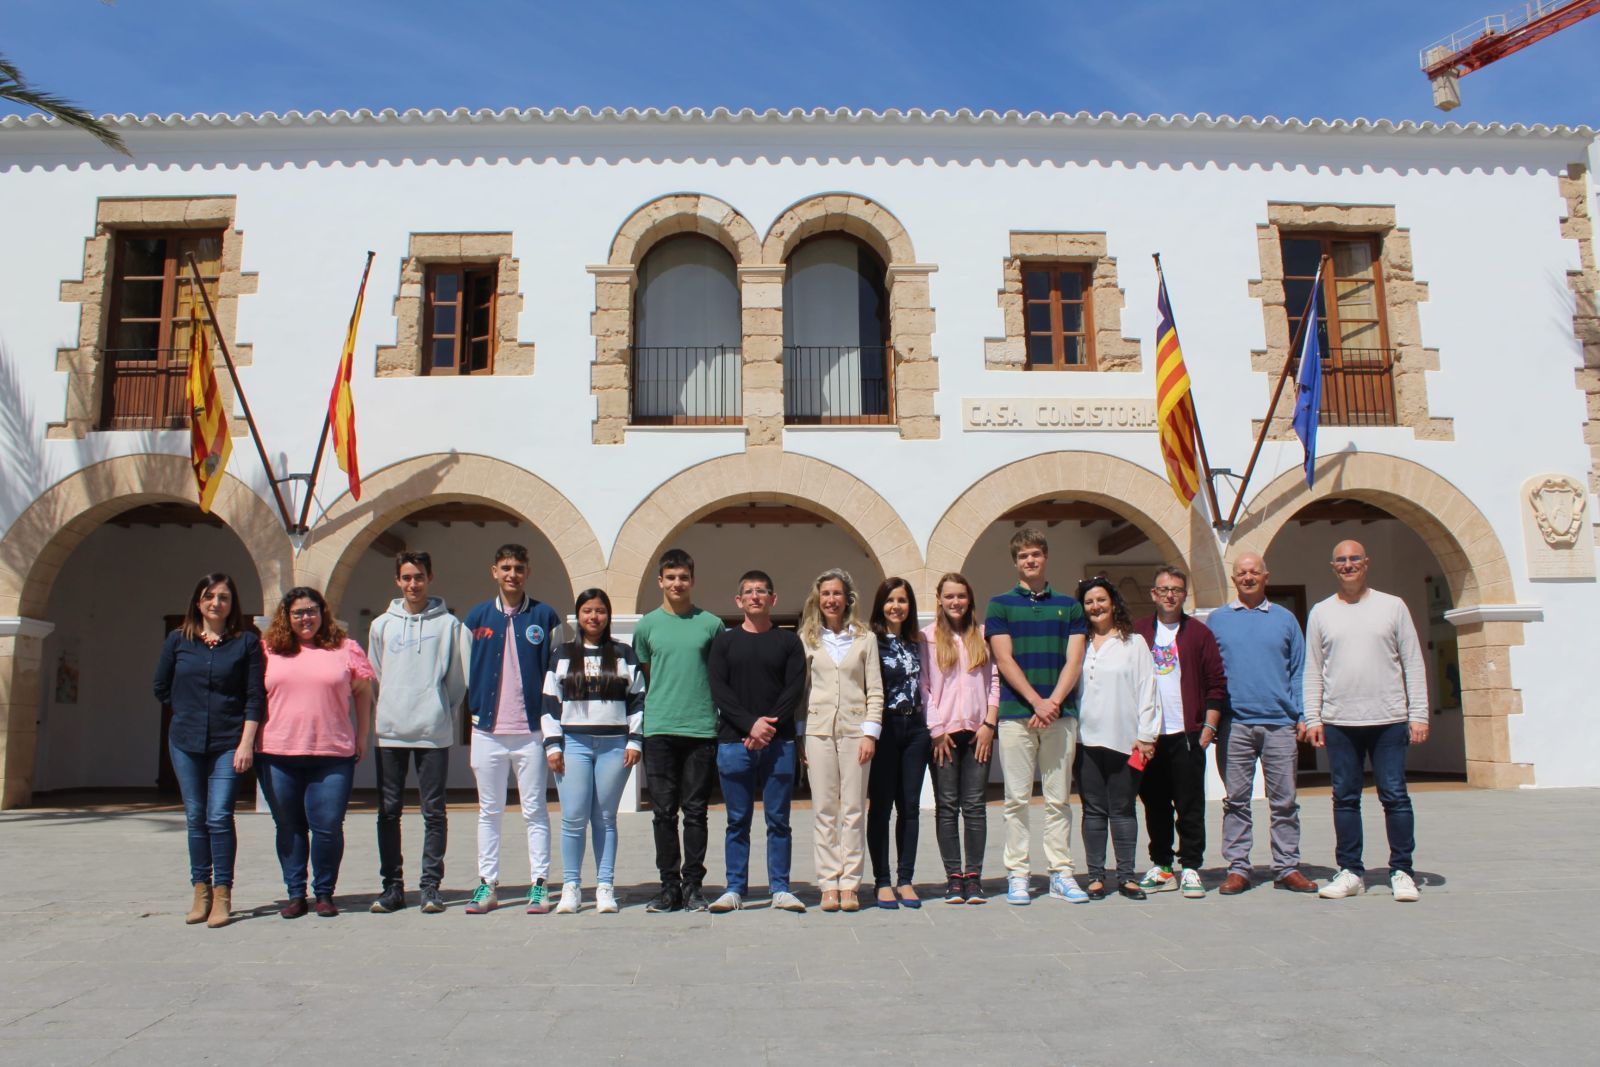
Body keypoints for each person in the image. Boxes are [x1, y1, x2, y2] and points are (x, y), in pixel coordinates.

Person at [1305, 539, 1430, 903]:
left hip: (1389, 718)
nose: (1348, 565)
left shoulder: (1392, 606)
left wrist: (1418, 714)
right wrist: (1313, 717)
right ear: (1333, 567)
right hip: (1340, 721)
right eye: (1341, 560)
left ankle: (1402, 870)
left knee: (1395, 795)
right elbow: (1313, 670)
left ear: (1366, 563)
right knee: (1344, 798)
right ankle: (1350, 871)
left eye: (1354, 558)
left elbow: (1413, 662)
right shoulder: (1321, 612)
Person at [152, 572, 264, 929]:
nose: (216, 603)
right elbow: (160, 686)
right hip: (185, 741)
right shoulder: (177, 641)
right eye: (209, 596)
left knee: (218, 816)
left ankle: (222, 894)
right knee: (195, 817)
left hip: (228, 743)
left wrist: (246, 741)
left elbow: (254, 697)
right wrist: (188, 711)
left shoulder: (246, 643)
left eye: (224, 597)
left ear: (233, 604)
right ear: (197, 601)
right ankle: (199, 892)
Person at [985, 528, 1088, 905]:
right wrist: (1036, 702)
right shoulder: (999, 605)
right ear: (1015, 562)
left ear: (1046, 558)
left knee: (1059, 797)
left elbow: (1074, 659)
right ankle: (1018, 873)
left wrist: (1054, 702)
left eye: (1036, 554)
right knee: (1015, 799)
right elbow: (1004, 658)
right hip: (1016, 716)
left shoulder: (1070, 606)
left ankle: (1061, 872)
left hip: (1059, 715)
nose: (1030, 561)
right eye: (1023, 556)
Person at [258, 586, 375, 918]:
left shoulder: (345, 648)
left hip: (332, 753)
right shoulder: (268, 650)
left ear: (323, 614)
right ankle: (296, 894)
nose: (305, 618)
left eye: (311, 611)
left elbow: (363, 693)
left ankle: (324, 893)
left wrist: (362, 735)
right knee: (289, 826)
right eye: (298, 613)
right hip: (277, 752)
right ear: (287, 617)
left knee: (327, 826)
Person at [462, 544, 565, 915]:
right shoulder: (476, 617)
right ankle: (486, 884)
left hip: (531, 733)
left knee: (534, 810)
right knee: (489, 811)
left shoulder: (545, 616)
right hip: (487, 731)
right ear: (494, 571)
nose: (512, 574)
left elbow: (556, 675)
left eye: (518, 568)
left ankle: (540, 884)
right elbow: (465, 671)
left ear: (527, 572)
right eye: (505, 567)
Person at [1207, 552, 1317, 895]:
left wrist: (1303, 715)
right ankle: (1238, 867)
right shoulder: (1217, 620)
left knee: (1284, 801)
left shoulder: (1285, 620)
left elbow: (1299, 670)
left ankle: (1287, 866)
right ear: (1234, 578)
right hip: (1235, 724)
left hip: (1279, 724)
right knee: (1236, 801)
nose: (1248, 577)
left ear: (1266, 576)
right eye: (1242, 572)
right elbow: (1210, 673)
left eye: (1254, 572)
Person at [367, 550, 470, 915]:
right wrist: (390, 706)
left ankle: (430, 887)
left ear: (430, 577)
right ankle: (392, 888)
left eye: (419, 577)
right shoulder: (381, 625)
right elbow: (375, 676)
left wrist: (440, 708)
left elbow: (457, 680)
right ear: (398, 580)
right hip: (391, 731)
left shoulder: (450, 626)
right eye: (407, 577)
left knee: (434, 811)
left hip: (432, 731)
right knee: (388, 811)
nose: (413, 584)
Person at [706, 570, 808, 914]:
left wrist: (765, 728)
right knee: (737, 820)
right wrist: (751, 725)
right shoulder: (724, 642)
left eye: (761, 591)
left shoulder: (789, 643)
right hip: (734, 743)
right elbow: (720, 690)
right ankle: (735, 888)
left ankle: (780, 888)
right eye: (748, 591)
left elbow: (793, 690)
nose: (755, 596)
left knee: (778, 820)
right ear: (739, 601)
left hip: (779, 745)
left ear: (773, 599)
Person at [542, 588, 645, 914]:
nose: (594, 617)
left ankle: (604, 887)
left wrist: (634, 740)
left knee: (605, 819)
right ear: (578, 616)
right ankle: (571, 887)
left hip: (615, 746)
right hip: (573, 744)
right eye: (587, 611)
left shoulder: (623, 653)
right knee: (573, 819)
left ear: (608, 615)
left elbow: (639, 699)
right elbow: (548, 702)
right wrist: (552, 745)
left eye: (600, 611)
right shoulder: (561, 654)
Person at [633, 548, 724, 914]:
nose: (677, 583)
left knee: (697, 812)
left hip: (700, 729)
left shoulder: (711, 624)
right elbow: (647, 675)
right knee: (663, 813)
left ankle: (694, 887)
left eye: (683, 577)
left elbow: (717, 674)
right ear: (660, 581)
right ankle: (668, 887)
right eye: (670, 577)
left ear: (692, 580)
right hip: (659, 729)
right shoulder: (647, 626)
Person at [1132, 565, 1227, 899]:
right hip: (1149, 737)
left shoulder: (1198, 634)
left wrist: (1209, 726)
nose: (1169, 595)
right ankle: (1162, 865)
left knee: (1190, 804)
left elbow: (1216, 682)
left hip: (1186, 734)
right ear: (1153, 594)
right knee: (1154, 803)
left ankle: (1190, 866)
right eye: (1163, 589)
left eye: (1176, 589)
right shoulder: (1138, 632)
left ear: (1184, 595)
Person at [797, 568, 884, 913]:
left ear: (848, 599)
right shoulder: (807, 638)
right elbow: (801, 692)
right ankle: (827, 883)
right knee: (824, 810)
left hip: (855, 732)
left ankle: (850, 883)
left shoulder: (865, 639)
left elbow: (875, 690)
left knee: (852, 809)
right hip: (818, 731)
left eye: (837, 593)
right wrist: (800, 735)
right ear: (817, 598)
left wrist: (870, 733)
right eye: (826, 593)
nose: (831, 599)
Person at [1074, 577, 1160, 901]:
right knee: (1093, 810)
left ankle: (1127, 876)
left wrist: (1146, 735)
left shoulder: (1133, 643)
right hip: (1086, 741)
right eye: (1089, 602)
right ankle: (1096, 875)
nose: (1096, 606)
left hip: (1126, 741)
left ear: (1113, 603)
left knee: (1123, 810)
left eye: (1101, 600)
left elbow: (1148, 689)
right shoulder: (1078, 643)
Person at [920, 572, 999, 905]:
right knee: (947, 806)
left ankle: (974, 876)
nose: (955, 602)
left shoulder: (983, 636)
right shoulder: (925, 638)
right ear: (939, 599)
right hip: (944, 737)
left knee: (975, 807)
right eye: (949, 596)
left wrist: (989, 724)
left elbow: (995, 681)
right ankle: (954, 877)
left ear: (970, 599)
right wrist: (936, 730)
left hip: (978, 733)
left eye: (961, 596)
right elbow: (922, 686)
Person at [866, 577, 929, 910]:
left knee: (910, 806)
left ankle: (906, 879)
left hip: (916, 729)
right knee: (881, 807)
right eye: (890, 600)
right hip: (886, 727)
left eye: (902, 600)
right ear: (881, 605)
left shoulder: (918, 642)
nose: (896, 606)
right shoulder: (870, 643)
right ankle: (882, 880)